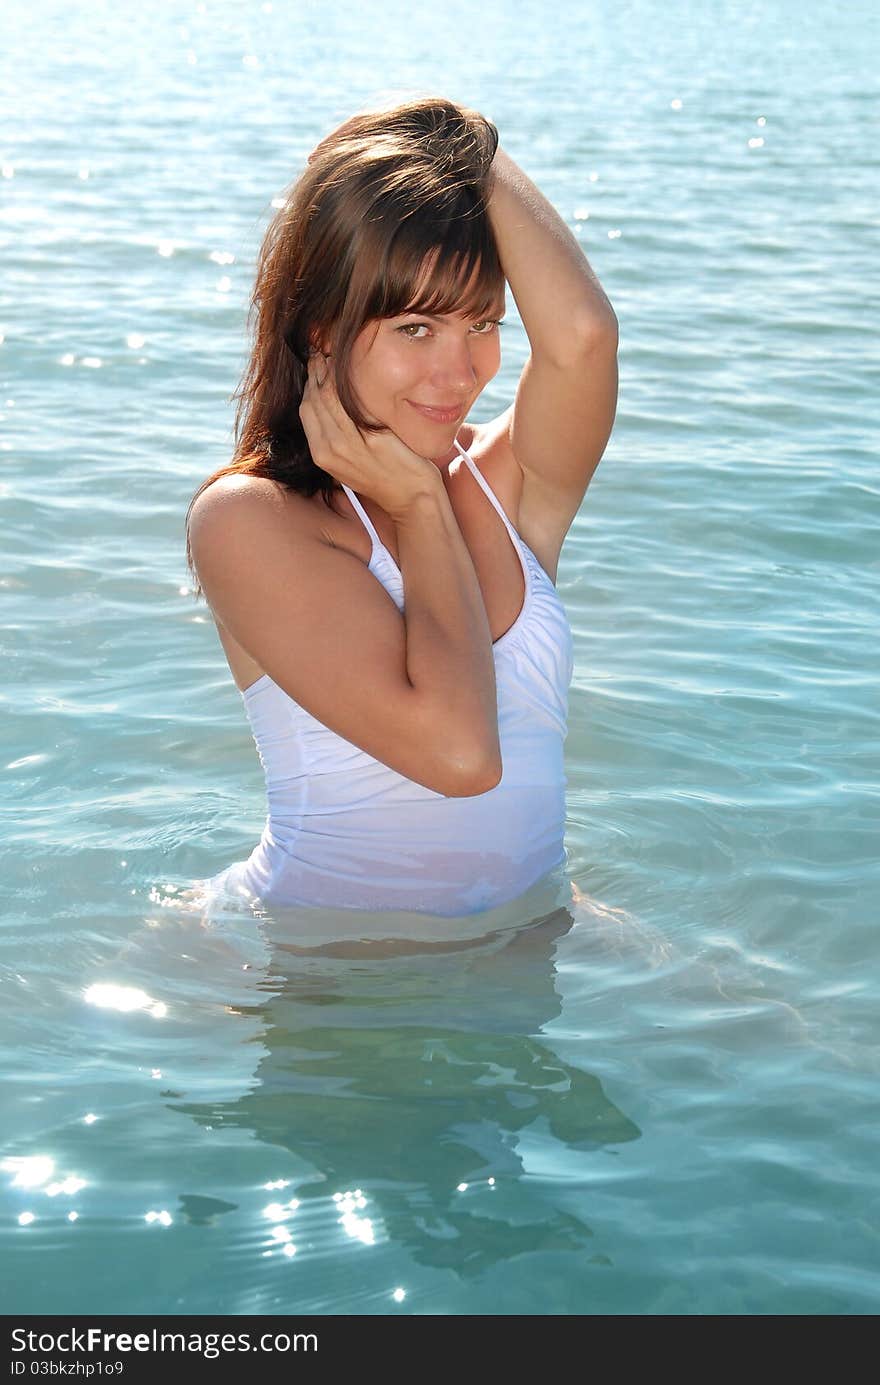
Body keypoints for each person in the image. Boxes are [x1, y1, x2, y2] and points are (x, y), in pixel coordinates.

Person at [185, 96, 618, 918]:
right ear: (320, 329)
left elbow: (585, 334)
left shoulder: (506, 484)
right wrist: (420, 507)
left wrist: (457, 143)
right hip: (328, 988)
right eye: (417, 328)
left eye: (482, 322)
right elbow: (460, 755)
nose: (460, 374)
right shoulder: (251, 521)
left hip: (531, 954)